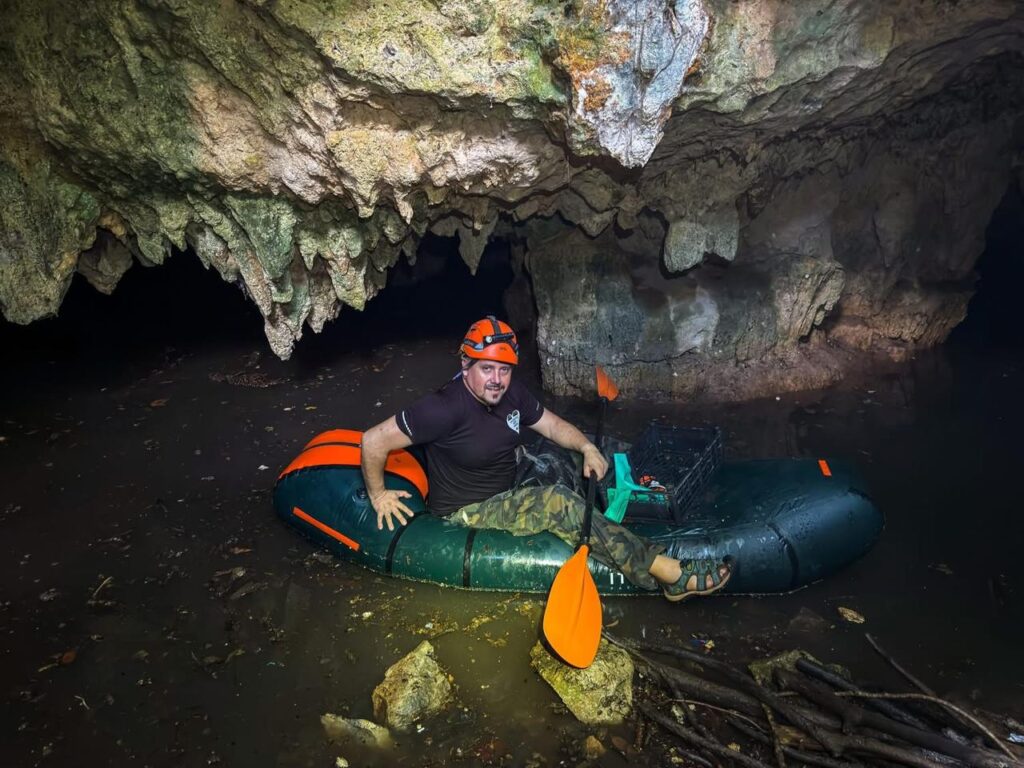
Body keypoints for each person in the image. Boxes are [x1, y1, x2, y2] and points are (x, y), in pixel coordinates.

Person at [360, 316, 732, 601]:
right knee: (557, 502)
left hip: (509, 477)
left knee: (572, 450)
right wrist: (378, 495)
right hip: (470, 509)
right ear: (465, 365)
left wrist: (586, 448)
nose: (496, 380)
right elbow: (373, 440)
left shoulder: (511, 394)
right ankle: (666, 572)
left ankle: (621, 506)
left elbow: (553, 426)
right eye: (487, 369)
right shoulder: (441, 408)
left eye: (503, 370)